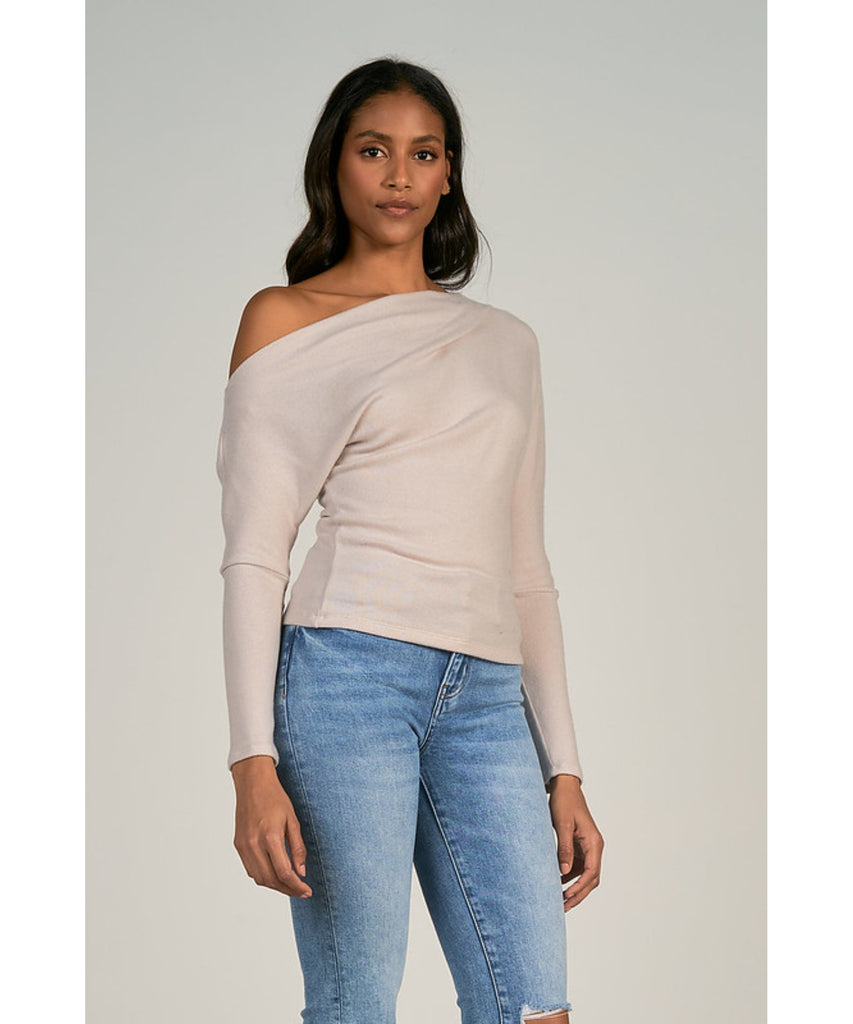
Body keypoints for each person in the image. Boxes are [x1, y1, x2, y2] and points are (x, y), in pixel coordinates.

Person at [215, 56, 604, 1024]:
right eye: (373, 150)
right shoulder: (283, 320)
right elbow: (256, 551)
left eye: (423, 154)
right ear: (334, 166)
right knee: (355, 1003)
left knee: (533, 1008)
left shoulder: (505, 341)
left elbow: (526, 570)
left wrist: (563, 767)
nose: (398, 175)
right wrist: (251, 761)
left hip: (487, 697)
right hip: (344, 677)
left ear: (447, 174)